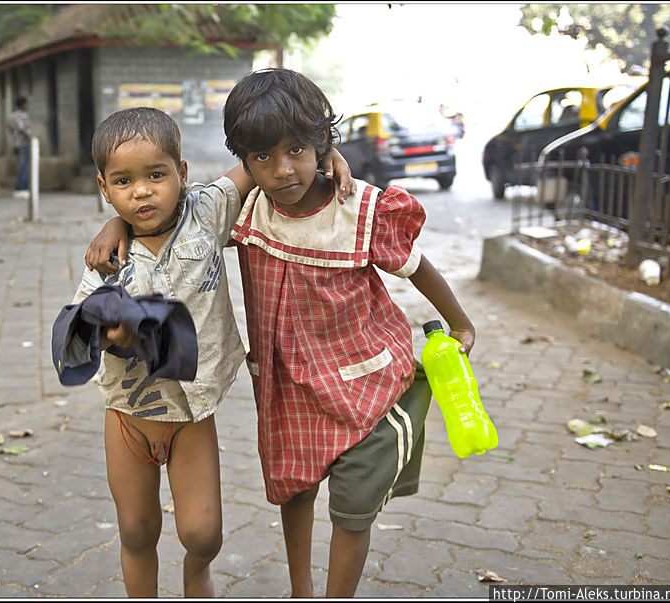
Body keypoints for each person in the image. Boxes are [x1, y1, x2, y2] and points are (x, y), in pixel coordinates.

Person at [86, 68, 476, 598]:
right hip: (289, 387)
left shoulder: (356, 209)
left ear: (321, 143)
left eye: (297, 150)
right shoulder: (248, 209)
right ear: (246, 162)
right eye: (263, 157)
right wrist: (119, 223)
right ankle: (300, 591)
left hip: (364, 381)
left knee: (352, 506)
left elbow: (417, 266)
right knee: (295, 490)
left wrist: (460, 322)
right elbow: (165, 208)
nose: (283, 169)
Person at [72, 107, 353, 597]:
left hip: (192, 414)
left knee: (204, 536)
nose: (141, 192)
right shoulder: (107, 258)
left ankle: (196, 574)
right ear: (104, 188)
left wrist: (326, 151)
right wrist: (110, 334)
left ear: (181, 173)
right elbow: (79, 332)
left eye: (156, 175)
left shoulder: (207, 212)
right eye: (123, 181)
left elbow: (260, 161)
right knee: (136, 531)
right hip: (128, 417)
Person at [7, 96, 32, 199]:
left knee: (23, 166)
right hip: (23, 144)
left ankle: (23, 187)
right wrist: (28, 137)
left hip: (16, 143)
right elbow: (21, 127)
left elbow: (10, 129)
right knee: (23, 167)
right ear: (22, 105)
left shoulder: (12, 116)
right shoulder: (22, 116)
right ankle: (21, 188)